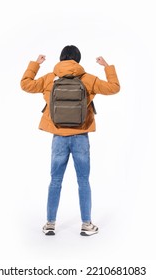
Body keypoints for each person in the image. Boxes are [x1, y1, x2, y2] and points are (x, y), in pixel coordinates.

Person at [20, 45, 120, 236]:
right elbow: (114, 88)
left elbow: (25, 84)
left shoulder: (50, 78)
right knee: (83, 180)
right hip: (81, 136)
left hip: (58, 136)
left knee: (55, 180)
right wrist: (106, 66)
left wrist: (36, 64)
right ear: (78, 60)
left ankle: (50, 224)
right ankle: (87, 224)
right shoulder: (88, 79)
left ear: (61, 58)